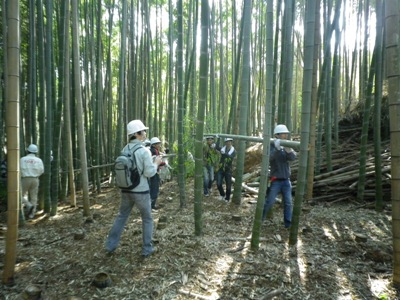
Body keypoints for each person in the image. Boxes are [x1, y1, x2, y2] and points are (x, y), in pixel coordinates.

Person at [105, 120, 163, 257]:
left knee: (121, 216)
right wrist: (156, 163)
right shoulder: (143, 151)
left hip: (126, 190)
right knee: (147, 219)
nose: (145, 133)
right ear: (137, 134)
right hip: (141, 191)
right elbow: (149, 173)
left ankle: (110, 245)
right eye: (143, 131)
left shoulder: (124, 149)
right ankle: (147, 249)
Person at [262, 124, 297, 228]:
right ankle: (261, 219)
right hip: (275, 180)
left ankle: (288, 224)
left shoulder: (287, 144)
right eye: (283, 134)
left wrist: (287, 149)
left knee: (288, 203)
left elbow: (292, 158)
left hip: (286, 180)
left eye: (286, 134)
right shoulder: (271, 145)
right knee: (270, 201)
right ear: (277, 135)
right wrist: (277, 149)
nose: (285, 135)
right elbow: (270, 158)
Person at [20, 144, 44, 219]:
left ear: (27, 151)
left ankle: (28, 205)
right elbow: (42, 171)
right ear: (36, 152)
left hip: (25, 179)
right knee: (34, 197)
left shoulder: (22, 159)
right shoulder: (39, 160)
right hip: (35, 179)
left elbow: (19, 169)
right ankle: (31, 214)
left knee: (19, 195)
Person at [215, 137, 236, 202]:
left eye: (229, 141)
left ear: (231, 142)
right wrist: (218, 138)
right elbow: (216, 147)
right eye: (227, 142)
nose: (228, 143)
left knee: (228, 185)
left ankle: (227, 198)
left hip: (228, 169)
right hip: (221, 169)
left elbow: (231, 157)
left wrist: (225, 153)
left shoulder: (233, 150)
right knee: (218, 183)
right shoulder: (223, 149)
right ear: (225, 143)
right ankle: (222, 194)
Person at [149, 137, 166, 210]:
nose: (159, 145)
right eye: (158, 144)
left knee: (152, 189)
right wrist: (164, 163)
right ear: (154, 144)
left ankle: (151, 205)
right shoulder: (154, 151)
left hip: (151, 172)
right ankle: (151, 206)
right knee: (154, 189)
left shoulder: (151, 150)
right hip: (154, 172)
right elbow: (156, 162)